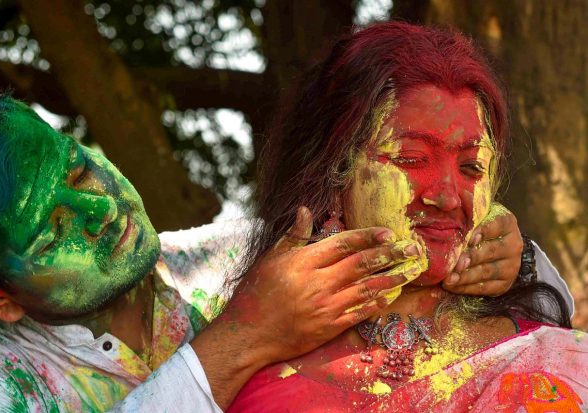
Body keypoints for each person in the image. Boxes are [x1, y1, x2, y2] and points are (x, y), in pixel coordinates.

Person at [0, 93, 560, 412]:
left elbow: (539, 321)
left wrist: (511, 262)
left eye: (81, 170)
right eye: (54, 228)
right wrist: (243, 337)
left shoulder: (239, 259)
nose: (101, 211)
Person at [219, 22, 588, 412]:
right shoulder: (226, 330)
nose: (447, 197)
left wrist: (525, 262)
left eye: (472, 168)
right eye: (411, 159)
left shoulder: (555, 362)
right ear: (334, 170)